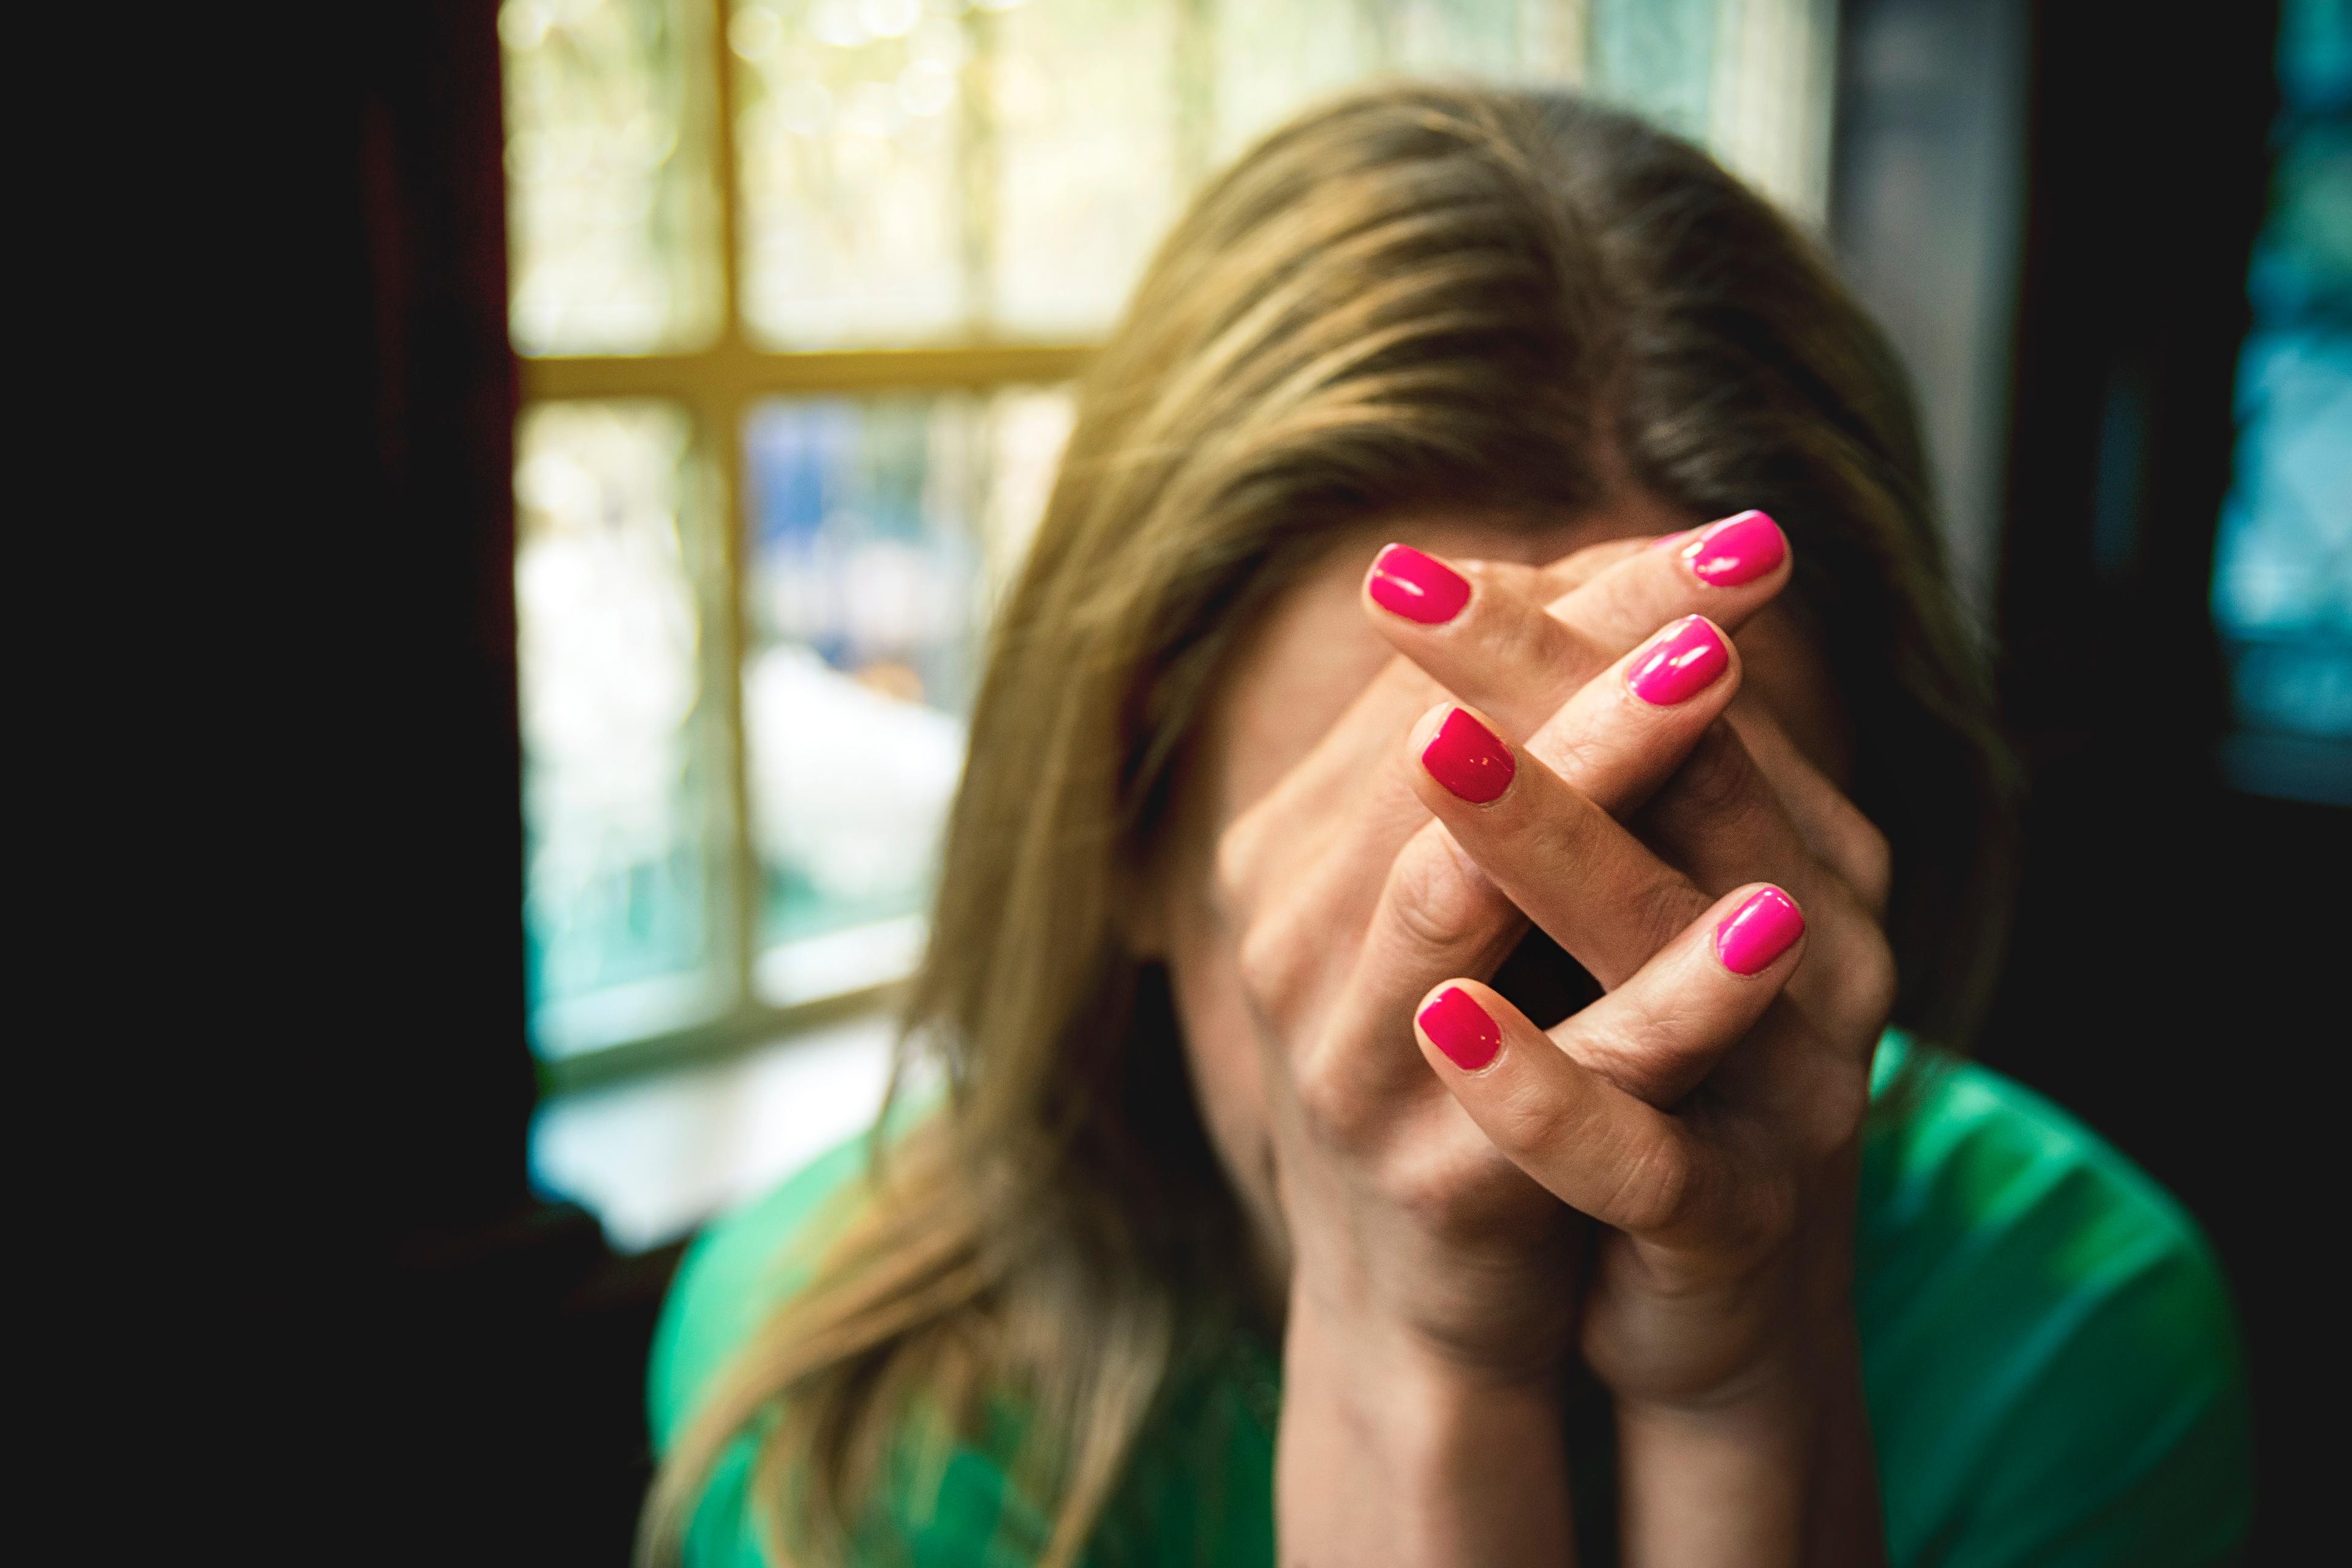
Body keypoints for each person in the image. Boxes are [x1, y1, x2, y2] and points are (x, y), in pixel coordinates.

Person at [641, 86, 2251, 1566]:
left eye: (1664, 899)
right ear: (1122, 836)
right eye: (1391, 909)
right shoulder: (851, 1413)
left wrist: (1747, 1409)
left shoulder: (2076, 1336)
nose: (1528, 1121)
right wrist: (1415, 1378)